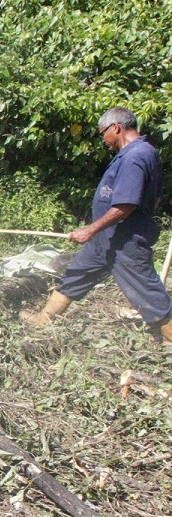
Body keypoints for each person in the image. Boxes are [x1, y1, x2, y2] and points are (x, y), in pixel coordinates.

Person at [25, 107, 172, 342]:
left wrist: (90, 230)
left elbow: (126, 204)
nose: (104, 139)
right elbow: (155, 198)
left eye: (103, 133)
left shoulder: (135, 156)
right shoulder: (141, 153)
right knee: (76, 274)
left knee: (147, 292)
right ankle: (44, 319)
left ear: (116, 128)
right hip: (107, 238)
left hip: (125, 240)